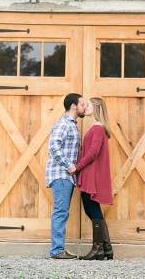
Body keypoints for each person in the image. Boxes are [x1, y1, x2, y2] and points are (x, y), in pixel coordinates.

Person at [45, 93, 90, 259]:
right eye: (82, 104)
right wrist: (69, 166)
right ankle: (57, 251)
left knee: (62, 211)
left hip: (66, 177)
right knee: (60, 212)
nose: (84, 107)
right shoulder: (64, 124)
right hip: (61, 175)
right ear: (73, 106)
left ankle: (58, 249)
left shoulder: (71, 124)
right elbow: (54, 147)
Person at [73, 97, 114, 260]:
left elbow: (93, 152)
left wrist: (77, 167)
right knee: (91, 209)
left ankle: (99, 249)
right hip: (90, 172)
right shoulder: (97, 127)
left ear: (96, 108)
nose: (85, 107)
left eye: (88, 105)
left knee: (92, 208)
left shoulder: (97, 128)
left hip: (92, 173)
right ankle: (105, 249)